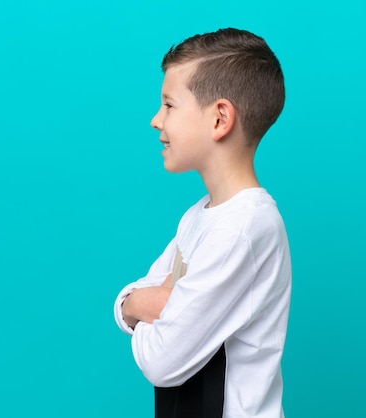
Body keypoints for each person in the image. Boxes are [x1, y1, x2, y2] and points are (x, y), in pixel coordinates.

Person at [113, 28, 291, 418]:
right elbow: (127, 303)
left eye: (169, 105)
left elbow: (161, 363)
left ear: (220, 119)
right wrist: (139, 303)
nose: (155, 121)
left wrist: (149, 304)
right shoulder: (200, 216)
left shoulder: (244, 228)